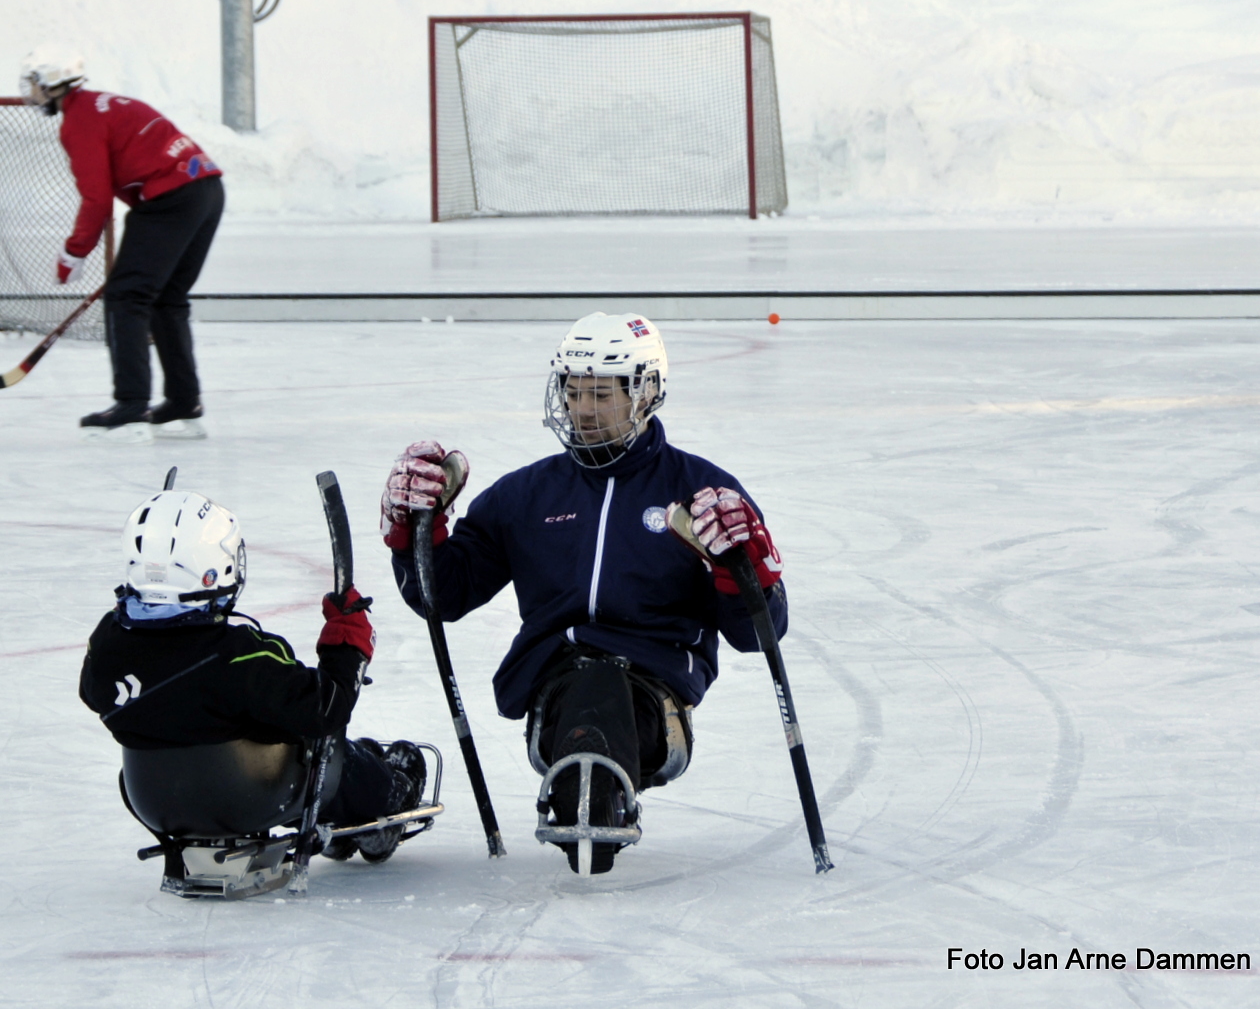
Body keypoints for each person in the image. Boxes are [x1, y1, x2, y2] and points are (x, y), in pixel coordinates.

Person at [380, 312, 789, 874]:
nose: (583, 409)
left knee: (606, 681)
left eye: (601, 393)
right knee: (586, 680)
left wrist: (746, 572)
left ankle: (594, 795)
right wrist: (414, 537)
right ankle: (586, 793)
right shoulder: (525, 495)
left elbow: (756, 633)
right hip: (554, 689)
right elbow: (442, 598)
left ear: (645, 393)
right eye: (573, 392)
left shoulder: (699, 493)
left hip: (654, 698)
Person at [79, 486, 426, 863]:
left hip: (156, 803)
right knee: (322, 745)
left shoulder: (108, 643)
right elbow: (326, 708)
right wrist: (348, 646)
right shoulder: (238, 655)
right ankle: (385, 803)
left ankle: (343, 811)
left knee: (269, 724)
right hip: (246, 798)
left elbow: (94, 694)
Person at [20, 49, 224, 442]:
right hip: (206, 190)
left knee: (127, 296)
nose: (31, 92)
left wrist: (74, 252)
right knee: (166, 297)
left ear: (51, 82)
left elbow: (96, 197)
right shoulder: (101, 104)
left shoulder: (79, 119)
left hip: (172, 197)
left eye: (33, 83)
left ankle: (131, 403)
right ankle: (184, 399)